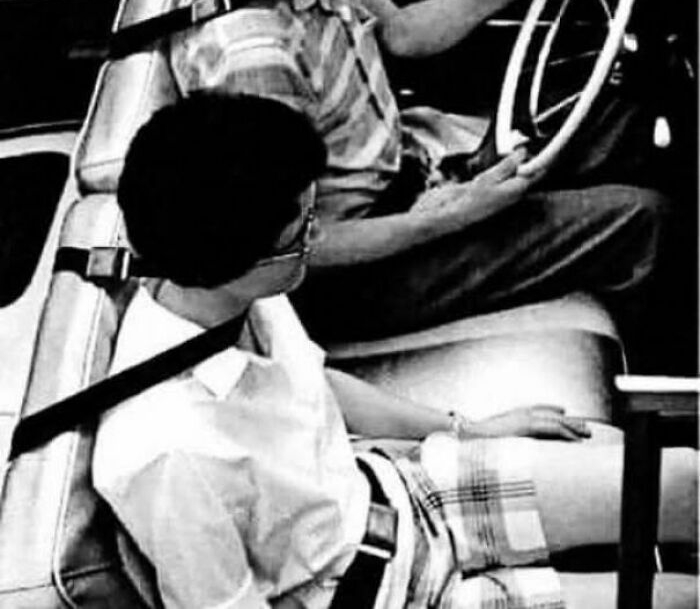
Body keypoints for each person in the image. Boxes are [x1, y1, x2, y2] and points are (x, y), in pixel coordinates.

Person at [93, 92, 696, 609]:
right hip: (385, 595)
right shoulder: (163, 453)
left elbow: (317, 383)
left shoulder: (230, 295)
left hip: (403, 491)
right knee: (682, 601)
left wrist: (470, 430)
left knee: (687, 482)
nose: (316, 238)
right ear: (235, 261)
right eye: (301, 233)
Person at [169, 0, 666, 360]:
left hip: (413, 176)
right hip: (357, 276)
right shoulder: (253, 60)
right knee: (642, 223)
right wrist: (447, 217)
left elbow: (401, 33)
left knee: (630, 116)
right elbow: (283, 249)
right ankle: (659, 410)